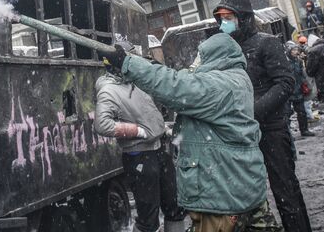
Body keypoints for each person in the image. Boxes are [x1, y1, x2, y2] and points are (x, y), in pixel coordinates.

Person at [102, 33, 282, 232]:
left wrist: (127, 62)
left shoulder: (218, 85)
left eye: (201, 55)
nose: (197, 60)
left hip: (222, 195)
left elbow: (174, 86)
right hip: (243, 184)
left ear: (214, 56)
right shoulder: (237, 78)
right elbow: (185, 80)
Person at [212, 0, 311, 232]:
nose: (224, 22)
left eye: (229, 17)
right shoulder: (224, 48)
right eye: (220, 18)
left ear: (243, 18)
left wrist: (254, 111)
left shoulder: (266, 43)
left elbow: (286, 83)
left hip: (271, 129)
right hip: (240, 134)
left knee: (285, 190)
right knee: (247, 195)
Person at [94, 41, 185, 232]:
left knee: (175, 207)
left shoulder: (136, 82)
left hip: (159, 150)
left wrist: (161, 129)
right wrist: (137, 131)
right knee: (148, 219)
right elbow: (102, 124)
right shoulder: (108, 90)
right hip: (140, 157)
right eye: (129, 59)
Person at [286, 41, 314, 137]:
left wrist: (305, 84)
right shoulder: (285, 63)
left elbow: (302, 74)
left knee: (301, 112)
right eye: (293, 50)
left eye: (296, 49)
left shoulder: (298, 61)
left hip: (298, 90)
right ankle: (288, 134)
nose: (296, 51)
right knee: (287, 113)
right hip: (288, 92)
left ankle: (304, 130)